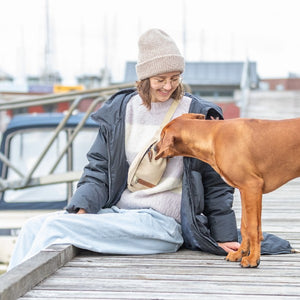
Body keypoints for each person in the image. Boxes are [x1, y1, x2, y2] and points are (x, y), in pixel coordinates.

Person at [8, 29, 291, 270]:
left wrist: (224, 234)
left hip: (163, 224)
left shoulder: (197, 113)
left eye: (175, 77)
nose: (168, 86)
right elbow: (98, 167)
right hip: (120, 214)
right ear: (144, 78)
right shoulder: (120, 111)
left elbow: (216, 183)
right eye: (160, 79)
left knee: (54, 228)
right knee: (33, 226)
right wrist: (83, 206)